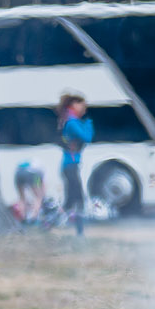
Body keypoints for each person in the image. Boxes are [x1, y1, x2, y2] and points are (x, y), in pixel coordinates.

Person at [60, 93, 92, 236]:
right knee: (78, 199)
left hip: (70, 165)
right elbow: (87, 137)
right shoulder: (72, 122)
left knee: (70, 200)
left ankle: (50, 224)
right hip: (71, 165)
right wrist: (89, 123)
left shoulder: (70, 120)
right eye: (82, 104)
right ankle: (79, 232)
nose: (84, 108)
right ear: (73, 105)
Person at [13, 160, 45, 224]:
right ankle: (34, 219)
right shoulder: (39, 171)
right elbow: (41, 184)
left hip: (18, 173)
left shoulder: (33, 165)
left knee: (22, 198)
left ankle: (23, 218)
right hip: (32, 173)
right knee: (38, 197)